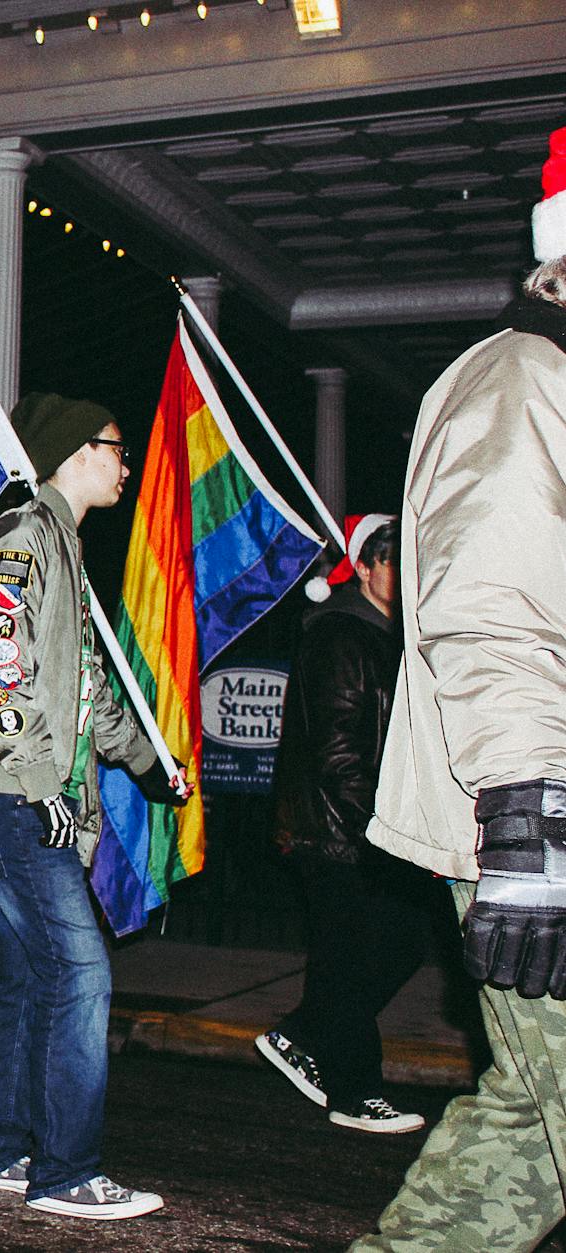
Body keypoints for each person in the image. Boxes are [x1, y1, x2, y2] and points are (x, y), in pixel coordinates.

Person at [350, 128, 566, 1250]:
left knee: (526, 1134)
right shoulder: (523, 374)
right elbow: (490, 606)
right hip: (539, 817)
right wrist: (526, 817)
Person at [0, 393, 190, 1221]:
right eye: (118, 449)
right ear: (77, 453)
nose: (126, 463)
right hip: (10, 787)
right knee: (81, 969)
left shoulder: (66, 547)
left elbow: (88, 697)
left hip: (22, 785)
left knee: (21, 975)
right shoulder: (26, 532)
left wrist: (156, 767)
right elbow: (2, 659)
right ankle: (67, 1169)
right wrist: (39, 780)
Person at [258, 514, 434, 1135]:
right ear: (364, 567)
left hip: (365, 828)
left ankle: (300, 1035)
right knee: (347, 953)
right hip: (333, 830)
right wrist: (382, 826)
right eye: (392, 561)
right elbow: (338, 753)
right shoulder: (341, 635)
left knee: (401, 939)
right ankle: (355, 1093)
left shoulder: (392, 637)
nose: (404, 573)